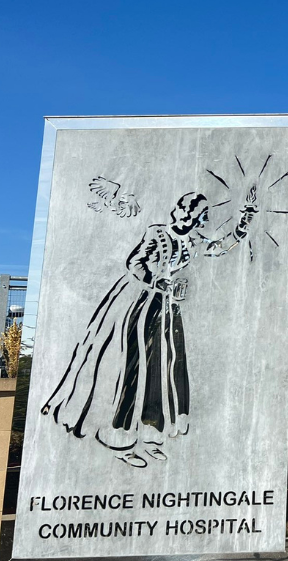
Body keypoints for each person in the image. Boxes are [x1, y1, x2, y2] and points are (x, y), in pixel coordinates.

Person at [41, 189, 257, 468]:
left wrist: (243, 224)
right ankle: (119, 439)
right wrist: (160, 282)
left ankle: (150, 435)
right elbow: (135, 263)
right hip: (137, 306)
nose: (205, 218)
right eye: (202, 212)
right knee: (133, 369)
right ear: (188, 212)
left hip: (166, 310)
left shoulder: (192, 240)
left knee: (163, 371)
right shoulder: (157, 233)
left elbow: (216, 247)